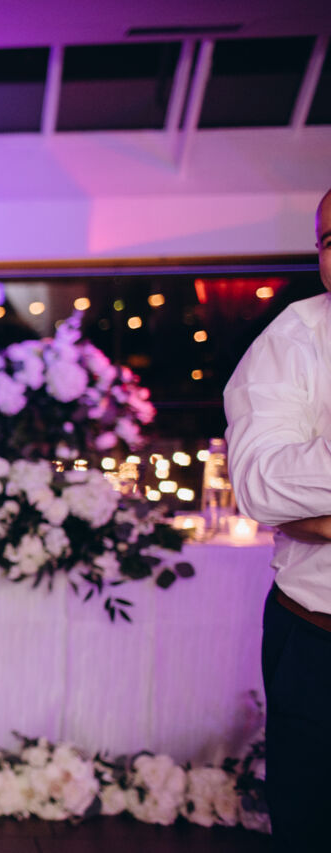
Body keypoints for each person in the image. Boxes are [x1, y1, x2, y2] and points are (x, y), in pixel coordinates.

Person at [224, 187, 331, 852]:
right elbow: (262, 487)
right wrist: (298, 510)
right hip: (319, 636)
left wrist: (316, 514)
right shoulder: (293, 341)